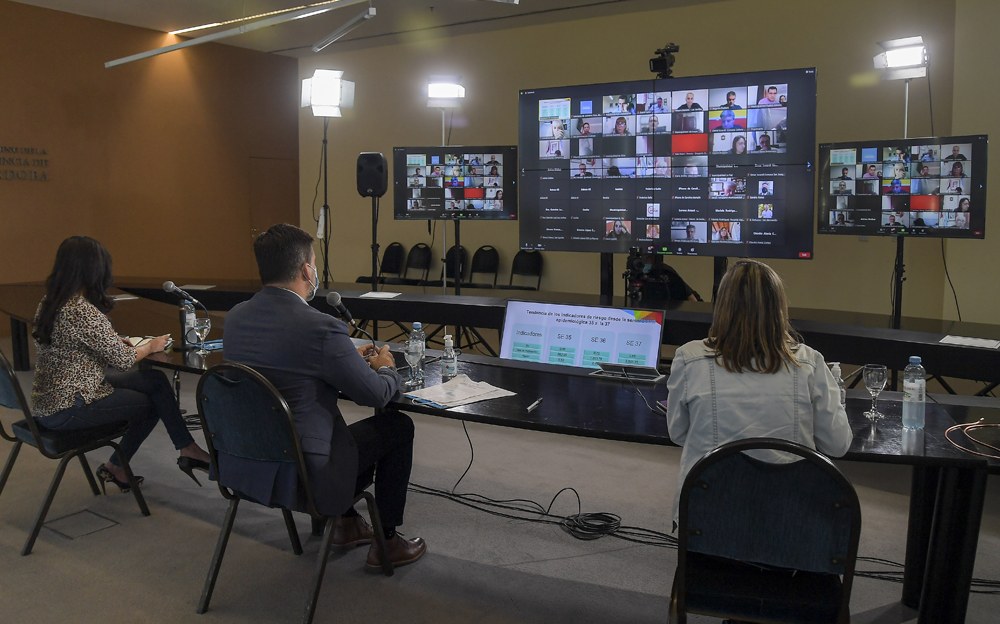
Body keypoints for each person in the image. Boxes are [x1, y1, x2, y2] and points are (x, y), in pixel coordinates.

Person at [224, 224, 426, 569]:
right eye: (314, 264)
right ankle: (387, 542)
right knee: (397, 425)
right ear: (307, 270)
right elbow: (376, 395)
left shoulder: (235, 318)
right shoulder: (320, 326)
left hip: (245, 461)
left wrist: (346, 359)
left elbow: (288, 366)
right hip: (306, 474)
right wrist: (386, 367)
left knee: (327, 422)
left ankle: (347, 524)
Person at [665, 260, 852, 523]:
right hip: (792, 523)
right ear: (779, 307)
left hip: (708, 519)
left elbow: (678, 433)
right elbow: (838, 444)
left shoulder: (689, 358)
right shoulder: (809, 363)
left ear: (722, 306)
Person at [30, 236, 211, 492]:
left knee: (155, 381)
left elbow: (78, 346)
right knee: (153, 403)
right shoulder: (81, 310)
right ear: (94, 269)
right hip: (70, 406)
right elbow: (124, 360)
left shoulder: (51, 301)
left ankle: (186, 448)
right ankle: (121, 464)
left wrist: (115, 343)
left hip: (51, 401)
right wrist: (151, 346)